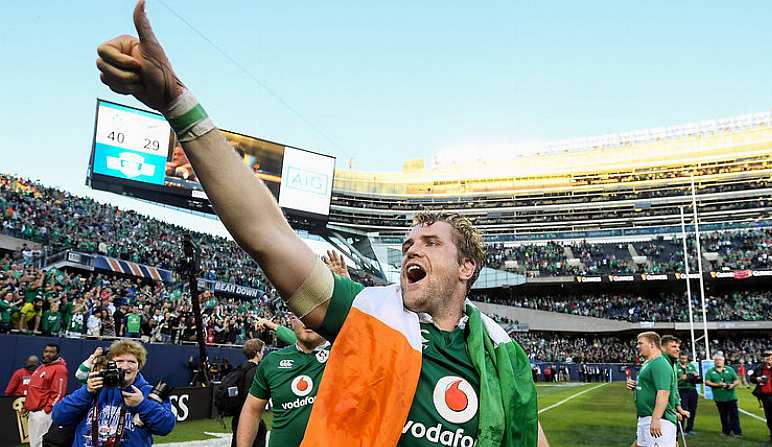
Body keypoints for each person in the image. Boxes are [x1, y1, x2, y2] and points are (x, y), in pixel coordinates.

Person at [96, 4, 546, 446]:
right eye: (409, 242)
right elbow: (267, 235)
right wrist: (178, 103)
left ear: (467, 267)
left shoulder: (502, 356)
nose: (413, 249)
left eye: (431, 242)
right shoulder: (370, 312)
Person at [52, 339, 176, 447]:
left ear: (139, 366)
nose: (125, 366)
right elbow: (59, 416)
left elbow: (165, 427)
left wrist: (142, 404)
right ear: (110, 364)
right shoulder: (96, 386)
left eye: (131, 362)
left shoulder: (148, 392)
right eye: (120, 361)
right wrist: (87, 392)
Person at [237, 318, 328, 447]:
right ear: (291, 319)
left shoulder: (343, 352)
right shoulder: (272, 362)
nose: (307, 321)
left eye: (311, 314)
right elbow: (251, 410)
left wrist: (274, 326)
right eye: (300, 315)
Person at [628, 332, 677, 447]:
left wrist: (656, 419)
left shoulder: (659, 363)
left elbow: (663, 393)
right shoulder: (648, 363)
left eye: (640, 343)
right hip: (645, 417)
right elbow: (651, 386)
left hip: (659, 420)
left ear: (651, 344)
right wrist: (636, 385)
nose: (637, 346)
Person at [24, 343, 69, 447]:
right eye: (46, 351)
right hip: (33, 411)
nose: (47, 354)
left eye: (51, 352)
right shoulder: (41, 367)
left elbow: (58, 393)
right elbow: (33, 389)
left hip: (43, 413)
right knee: (33, 442)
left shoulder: (60, 369)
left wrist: (46, 411)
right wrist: (27, 405)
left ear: (57, 354)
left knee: (40, 443)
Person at [230, 339, 267, 447]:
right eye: (262, 351)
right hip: (248, 417)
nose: (263, 354)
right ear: (257, 353)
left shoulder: (240, 368)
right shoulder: (256, 371)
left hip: (237, 417)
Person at [704, 353, 742, 437]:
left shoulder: (730, 369)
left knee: (734, 415)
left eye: (720, 360)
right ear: (714, 362)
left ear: (723, 361)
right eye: (716, 360)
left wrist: (732, 385)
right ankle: (726, 431)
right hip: (719, 397)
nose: (718, 362)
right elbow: (707, 382)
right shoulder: (710, 371)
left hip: (731, 397)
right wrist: (718, 385)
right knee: (723, 415)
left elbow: (736, 380)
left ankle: (737, 432)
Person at [659, 336, 690, 424]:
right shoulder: (660, 364)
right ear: (662, 348)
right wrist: (672, 412)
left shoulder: (673, 365)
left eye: (678, 347)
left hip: (668, 415)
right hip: (660, 416)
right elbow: (661, 393)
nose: (677, 350)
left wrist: (679, 409)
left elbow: (674, 389)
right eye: (673, 346)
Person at [675, 352, 699, 435]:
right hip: (681, 390)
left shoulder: (691, 366)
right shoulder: (675, 366)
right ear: (679, 358)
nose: (684, 360)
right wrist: (681, 378)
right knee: (682, 409)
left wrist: (695, 376)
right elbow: (673, 381)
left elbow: (696, 376)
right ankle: (680, 429)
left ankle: (689, 429)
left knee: (693, 409)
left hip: (692, 389)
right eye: (682, 358)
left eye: (685, 358)